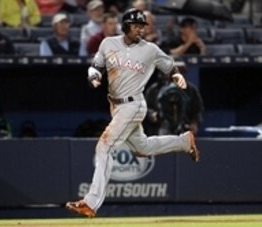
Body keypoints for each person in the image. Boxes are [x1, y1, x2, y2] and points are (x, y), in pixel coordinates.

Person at [65, 8, 200, 218]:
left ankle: (90, 202)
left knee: (104, 146)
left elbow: (169, 64)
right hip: (116, 106)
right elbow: (95, 66)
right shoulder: (108, 43)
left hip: (134, 105)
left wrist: (176, 76)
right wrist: (94, 77)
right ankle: (184, 142)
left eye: (142, 26)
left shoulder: (150, 49)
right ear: (126, 25)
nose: (140, 30)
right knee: (142, 148)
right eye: (136, 26)